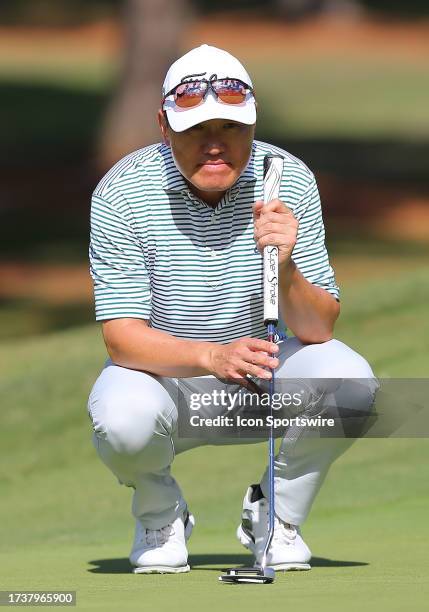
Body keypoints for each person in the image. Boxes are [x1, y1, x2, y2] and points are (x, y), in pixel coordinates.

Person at [87, 44, 377, 574]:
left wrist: (286, 266)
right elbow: (121, 338)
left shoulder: (287, 176)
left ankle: (275, 518)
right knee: (120, 417)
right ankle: (160, 515)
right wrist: (213, 357)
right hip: (166, 384)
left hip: (262, 380)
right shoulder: (122, 191)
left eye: (231, 128)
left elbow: (318, 328)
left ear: (253, 123)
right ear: (163, 125)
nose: (214, 146)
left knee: (350, 382)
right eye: (196, 129)